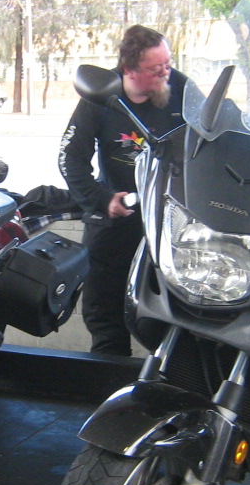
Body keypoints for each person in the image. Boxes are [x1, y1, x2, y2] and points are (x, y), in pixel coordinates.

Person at [58, 25, 188, 356]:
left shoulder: (181, 88)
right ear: (129, 69)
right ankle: (106, 375)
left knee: (178, 312)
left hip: (170, 218)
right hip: (119, 213)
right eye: (155, 69)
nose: (165, 73)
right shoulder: (101, 97)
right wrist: (101, 199)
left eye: (168, 63)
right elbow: (70, 158)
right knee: (103, 310)